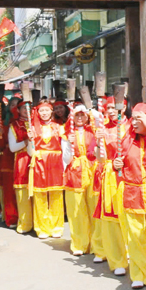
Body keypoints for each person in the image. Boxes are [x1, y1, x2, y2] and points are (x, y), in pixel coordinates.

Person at [116, 103, 146, 290]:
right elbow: (118, 161)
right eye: (132, 118)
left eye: (139, 119)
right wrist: (116, 164)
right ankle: (140, 273)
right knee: (136, 236)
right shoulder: (126, 139)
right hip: (134, 193)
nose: (134, 122)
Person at [92, 96, 128, 276]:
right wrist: (99, 143)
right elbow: (100, 159)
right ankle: (117, 259)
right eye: (108, 109)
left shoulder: (130, 127)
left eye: (114, 107)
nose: (111, 111)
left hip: (130, 177)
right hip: (111, 176)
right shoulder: (102, 129)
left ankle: (132, 254)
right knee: (111, 219)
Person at [29, 100, 67, 240]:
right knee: (40, 196)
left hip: (56, 162)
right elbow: (30, 152)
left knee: (56, 195)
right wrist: (29, 140)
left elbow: (65, 147)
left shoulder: (59, 127)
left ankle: (57, 226)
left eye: (47, 110)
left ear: (51, 112)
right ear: (37, 113)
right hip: (40, 162)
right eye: (41, 111)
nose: (44, 113)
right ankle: (42, 227)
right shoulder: (33, 128)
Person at [62, 105, 96, 256]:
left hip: (92, 170)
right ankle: (79, 244)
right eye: (77, 115)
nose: (80, 118)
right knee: (76, 210)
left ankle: (96, 245)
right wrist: (69, 144)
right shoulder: (67, 134)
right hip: (74, 172)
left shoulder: (93, 131)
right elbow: (66, 158)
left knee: (93, 209)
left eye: (83, 115)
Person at [0, 98, 20, 228]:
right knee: (9, 192)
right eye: (12, 105)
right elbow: (1, 146)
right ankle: (11, 218)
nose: (14, 108)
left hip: (24, 160)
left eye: (17, 106)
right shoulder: (4, 125)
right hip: (8, 160)